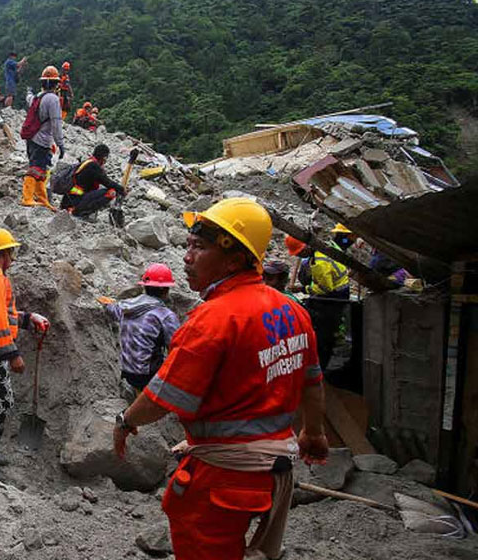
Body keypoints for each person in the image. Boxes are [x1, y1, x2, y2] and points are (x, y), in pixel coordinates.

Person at [113, 198, 328, 560]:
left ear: (234, 258)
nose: (186, 257)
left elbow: (162, 398)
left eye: (199, 247)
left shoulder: (213, 319)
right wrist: (315, 432)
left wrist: (125, 421)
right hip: (275, 469)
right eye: (188, 246)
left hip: (227, 478)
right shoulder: (292, 310)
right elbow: (311, 381)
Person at [0, 228, 50, 468]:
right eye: (11, 253)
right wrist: (11, 353)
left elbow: (2, 313)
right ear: (3, 253)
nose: (12, 259)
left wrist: (28, 318)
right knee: (2, 399)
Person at [98, 263, 180, 398]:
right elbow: (177, 347)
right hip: (148, 375)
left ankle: (133, 393)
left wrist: (105, 302)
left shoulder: (125, 306)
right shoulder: (165, 316)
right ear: (166, 290)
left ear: (145, 287)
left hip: (126, 371)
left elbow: (112, 309)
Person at [286, 235, 349, 373]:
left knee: (324, 329)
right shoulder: (325, 244)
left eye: (300, 253)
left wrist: (302, 289)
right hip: (342, 287)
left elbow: (326, 289)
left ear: (306, 248)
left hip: (334, 296)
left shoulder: (320, 263)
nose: (300, 256)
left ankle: (322, 363)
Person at [22, 65, 65, 210]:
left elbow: (29, 99)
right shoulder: (53, 99)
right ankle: (27, 197)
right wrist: (60, 143)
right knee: (36, 168)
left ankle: (41, 198)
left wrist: (28, 92)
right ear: (55, 83)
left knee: (41, 170)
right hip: (42, 139)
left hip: (32, 137)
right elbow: (56, 123)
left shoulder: (38, 97)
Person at [60, 144, 125, 219]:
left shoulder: (88, 162)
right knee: (111, 192)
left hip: (69, 200)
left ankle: (79, 210)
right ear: (104, 157)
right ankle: (78, 212)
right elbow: (107, 182)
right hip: (74, 202)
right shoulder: (94, 166)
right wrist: (122, 189)